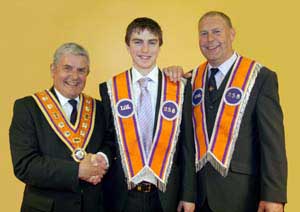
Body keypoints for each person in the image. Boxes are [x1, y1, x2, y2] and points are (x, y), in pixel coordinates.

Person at [164, 11, 287, 212]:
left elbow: (272, 143)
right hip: (198, 196)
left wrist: (274, 197)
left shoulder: (260, 77)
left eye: (216, 32)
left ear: (231, 34)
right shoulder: (191, 79)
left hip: (243, 195)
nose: (210, 39)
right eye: (203, 34)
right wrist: (169, 77)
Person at [99, 17, 196, 212]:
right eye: (138, 42)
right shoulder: (110, 89)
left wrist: (188, 195)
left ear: (160, 46)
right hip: (123, 194)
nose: (145, 50)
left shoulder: (179, 87)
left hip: (167, 194)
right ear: (127, 46)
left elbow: (187, 145)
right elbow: (109, 139)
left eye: (152, 42)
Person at [9, 42, 114, 212]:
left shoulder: (99, 109)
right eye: (67, 68)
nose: (74, 76)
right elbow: (25, 165)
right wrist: (77, 171)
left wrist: (102, 158)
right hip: (46, 207)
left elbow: (110, 143)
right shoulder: (28, 107)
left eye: (81, 70)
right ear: (53, 70)